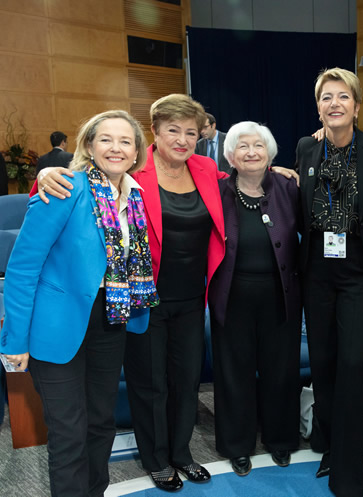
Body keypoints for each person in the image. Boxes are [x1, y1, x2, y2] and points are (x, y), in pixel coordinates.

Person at [35, 94, 227, 492]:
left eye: (191, 132)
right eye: (172, 130)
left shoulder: (206, 168)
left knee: (186, 380)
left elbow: (242, 175)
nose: (182, 139)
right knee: (150, 383)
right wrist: (46, 174)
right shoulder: (135, 169)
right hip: (142, 298)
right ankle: (156, 459)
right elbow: (81, 179)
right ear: (153, 132)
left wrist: (276, 168)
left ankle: (181, 452)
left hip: (193, 297)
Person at [0, 110, 159, 497]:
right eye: (106, 139)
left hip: (111, 318)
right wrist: (14, 340)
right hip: (56, 325)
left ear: (137, 151)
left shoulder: (136, 194)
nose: (116, 148)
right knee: (69, 432)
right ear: (89, 145)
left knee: (101, 423)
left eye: (125, 141)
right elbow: (22, 269)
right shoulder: (65, 187)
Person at [295, 67, 363, 497]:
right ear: (318, 108)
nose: (335, 103)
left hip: (358, 274)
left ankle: (349, 472)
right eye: (326, 97)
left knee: (352, 364)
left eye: (343, 96)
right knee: (324, 363)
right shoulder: (306, 148)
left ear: (357, 106)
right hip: (316, 272)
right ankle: (331, 443)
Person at [208, 121, 301, 476]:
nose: (251, 152)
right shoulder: (216, 191)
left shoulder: (289, 188)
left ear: (270, 153)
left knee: (281, 369)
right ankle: (237, 444)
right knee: (234, 371)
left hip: (281, 294)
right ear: (230, 156)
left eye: (258, 145)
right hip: (232, 295)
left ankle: (281, 439)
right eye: (242, 146)